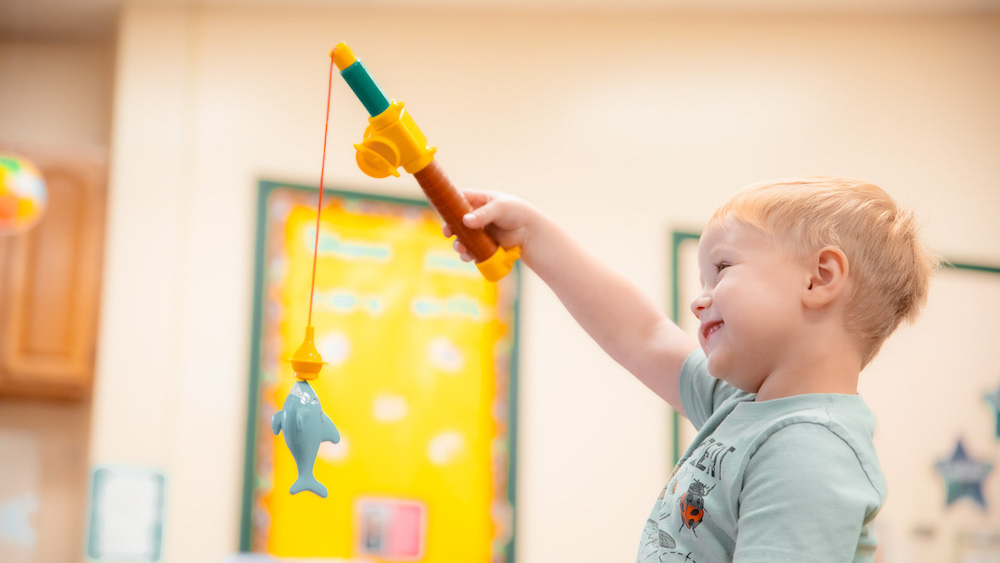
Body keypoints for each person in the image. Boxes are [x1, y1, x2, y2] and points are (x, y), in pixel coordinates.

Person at [444, 177, 938, 562]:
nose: (698, 301)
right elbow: (641, 334)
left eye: (721, 268)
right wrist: (532, 233)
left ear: (819, 277)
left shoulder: (809, 449)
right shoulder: (743, 406)